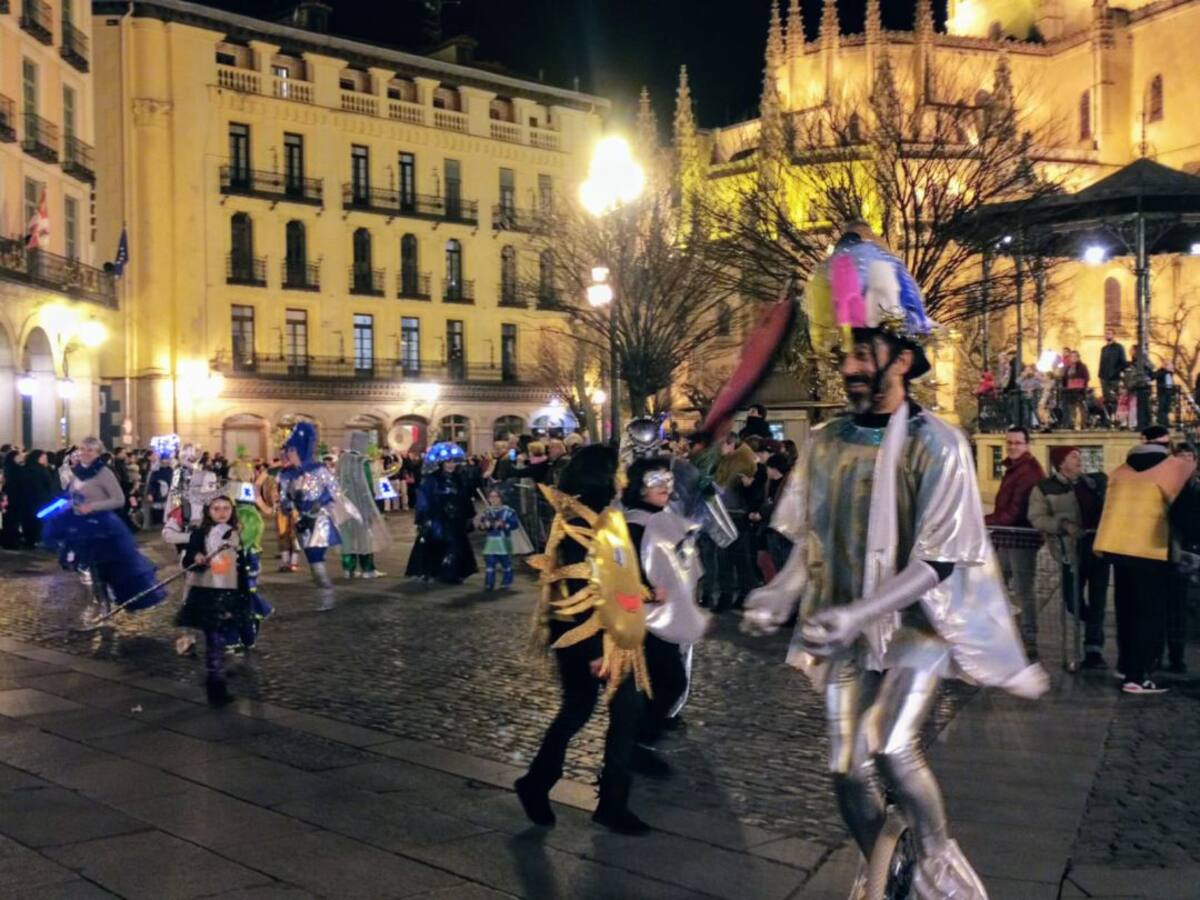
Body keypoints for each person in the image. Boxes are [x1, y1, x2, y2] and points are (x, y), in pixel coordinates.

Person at [743, 229, 1045, 897]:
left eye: (864, 352)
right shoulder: (822, 443)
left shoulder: (940, 445)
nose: (849, 367)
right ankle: (883, 862)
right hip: (843, 629)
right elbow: (809, 543)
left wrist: (860, 610)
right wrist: (780, 592)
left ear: (904, 358)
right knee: (846, 768)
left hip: (916, 626)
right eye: (844, 352)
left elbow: (937, 563)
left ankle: (935, 861)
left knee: (888, 745)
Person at [516, 445, 651, 835]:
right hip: (593, 639)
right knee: (623, 714)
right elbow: (577, 584)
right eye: (618, 471)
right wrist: (594, 651)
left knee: (579, 709)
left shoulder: (591, 517)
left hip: (605, 634)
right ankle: (610, 803)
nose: (623, 477)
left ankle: (538, 782)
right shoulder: (583, 524)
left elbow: (614, 574)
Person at [1094, 426, 1198, 693]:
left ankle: (1125, 666)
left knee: (1126, 609)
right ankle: (1139, 676)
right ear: (1167, 445)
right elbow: (1186, 514)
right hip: (1151, 549)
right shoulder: (1173, 468)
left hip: (1116, 546)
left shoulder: (1121, 471)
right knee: (1149, 614)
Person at [622, 457, 708, 756]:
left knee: (665, 679)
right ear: (638, 487)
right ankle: (636, 741)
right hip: (645, 618)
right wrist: (646, 591)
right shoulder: (634, 523)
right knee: (666, 679)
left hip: (668, 615)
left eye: (667, 481)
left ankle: (638, 739)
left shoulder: (664, 517)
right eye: (655, 481)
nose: (664, 487)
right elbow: (624, 569)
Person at [42, 437, 167, 617]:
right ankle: (100, 604)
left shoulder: (104, 473)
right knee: (90, 570)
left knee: (105, 569)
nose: (85, 453)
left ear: (98, 453)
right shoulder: (77, 472)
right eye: (83, 449)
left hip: (102, 527)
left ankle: (104, 607)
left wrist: (92, 506)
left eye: (90, 450)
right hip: (80, 525)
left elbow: (119, 499)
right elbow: (72, 495)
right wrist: (66, 505)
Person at [1027, 446, 1109, 669]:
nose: (1079, 460)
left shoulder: (1093, 483)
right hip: (1070, 551)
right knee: (1072, 600)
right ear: (1061, 463)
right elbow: (1037, 517)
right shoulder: (1045, 488)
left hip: (1098, 549)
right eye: (1074, 456)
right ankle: (1094, 624)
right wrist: (1061, 525)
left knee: (1099, 598)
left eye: (1080, 456)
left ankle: (1093, 648)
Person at [174, 495, 250, 706]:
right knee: (213, 638)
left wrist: (243, 593)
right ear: (209, 511)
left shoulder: (234, 534)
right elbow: (188, 559)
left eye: (226, 508)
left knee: (223, 637)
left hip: (229, 591)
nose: (221, 512)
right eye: (216, 508)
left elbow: (240, 564)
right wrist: (196, 558)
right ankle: (215, 683)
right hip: (207, 592)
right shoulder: (200, 533)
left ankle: (219, 673)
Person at [278, 422, 355, 610]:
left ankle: (327, 596)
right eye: (288, 451)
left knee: (316, 557)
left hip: (319, 519)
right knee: (313, 562)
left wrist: (321, 501)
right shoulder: (287, 475)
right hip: (301, 521)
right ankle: (325, 593)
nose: (289, 455)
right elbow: (284, 499)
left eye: (293, 451)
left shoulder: (319, 470)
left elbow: (335, 490)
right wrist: (288, 504)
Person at [985, 426, 1046, 654]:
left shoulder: (1028, 471)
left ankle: (1029, 638)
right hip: (1006, 537)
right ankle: (1003, 633)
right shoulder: (1014, 469)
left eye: (1017, 443)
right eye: (1009, 442)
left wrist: (982, 521)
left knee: (1023, 589)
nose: (1012, 446)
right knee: (998, 586)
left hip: (1021, 538)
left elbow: (1014, 512)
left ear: (1027, 445)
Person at [405, 442, 477, 583]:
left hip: (456, 519)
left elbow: (465, 498)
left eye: (454, 462)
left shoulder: (459, 478)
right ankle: (434, 572)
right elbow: (424, 499)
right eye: (448, 462)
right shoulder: (431, 479)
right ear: (441, 463)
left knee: (456, 545)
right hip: (437, 518)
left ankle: (452, 573)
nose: (451, 465)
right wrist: (423, 518)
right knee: (435, 544)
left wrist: (468, 515)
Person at [336, 431, 390, 579]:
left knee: (348, 537)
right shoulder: (362, 461)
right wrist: (371, 504)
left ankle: (349, 569)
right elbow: (366, 486)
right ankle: (368, 569)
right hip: (360, 505)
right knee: (365, 537)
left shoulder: (343, 459)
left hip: (345, 506)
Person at [477, 488, 519, 591]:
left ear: (501, 498)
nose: (493, 499)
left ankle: (506, 583)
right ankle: (489, 584)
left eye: (496, 497)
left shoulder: (509, 511)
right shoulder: (487, 512)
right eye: (491, 497)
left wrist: (503, 524)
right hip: (491, 542)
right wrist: (483, 526)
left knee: (506, 564)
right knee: (490, 564)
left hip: (503, 542)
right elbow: (482, 526)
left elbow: (514, 524)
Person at [20, 450, 58, 550]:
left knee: (28, 520)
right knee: (40, 521)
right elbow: (49, 484)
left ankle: (29, 541)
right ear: (38, 458)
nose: (46, 460)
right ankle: (39, 540)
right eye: (44, 458)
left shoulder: (24, 468)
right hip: (41, 499)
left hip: (26, 499)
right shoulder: (42, 470)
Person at [1099, 330, 1127, 419]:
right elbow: (1102, 362)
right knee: (1106, 399)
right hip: (1104, 377)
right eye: (1106, 334)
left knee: (1115, 398)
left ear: (1114, 335)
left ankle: (1116, 417)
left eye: (1109, 334)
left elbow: (1123, 362)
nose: (1107, 335)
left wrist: (1117, 372)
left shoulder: (1119, 347)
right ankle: (1108, 418)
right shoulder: (1104, 348)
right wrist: (1100, 374)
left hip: (1115, 377)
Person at [1062, 350, 1090, 430]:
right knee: (1071, 407)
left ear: (1078, 357)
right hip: (1070, 390)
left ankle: (1081, 424)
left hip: (1079, 390)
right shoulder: (1068, 367)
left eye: (1075, 356)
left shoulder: (1083, 366)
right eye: (1071, 357)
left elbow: (1086, 378)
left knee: (1079, 407)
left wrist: (1083, 388)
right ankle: (1072, 423)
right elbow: (1065, 379)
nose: (1073, 358)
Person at [1154, 359, 1177, 427]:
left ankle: (1166, 422)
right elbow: (1156, 376)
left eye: (1169, 365)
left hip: (1169, 391)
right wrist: (1164, 369)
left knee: (1167, 407)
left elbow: (1171, 381)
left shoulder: (1170, 373)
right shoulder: (1160, 371)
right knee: (1162, 407)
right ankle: (1161, 421)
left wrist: (1173, 391)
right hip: (1162, 392)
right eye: (1168, 365)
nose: (1170, 366)